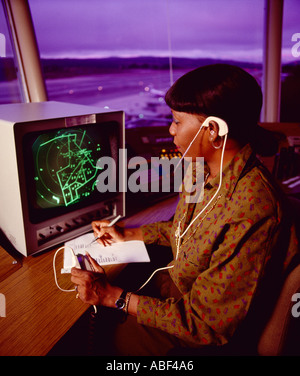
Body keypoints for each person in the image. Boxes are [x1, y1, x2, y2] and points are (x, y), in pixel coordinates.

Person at [71, 64, 298, 356]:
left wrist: (113, 297)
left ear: (213, 130)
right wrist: (127, 233)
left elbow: (207, 326)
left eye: (177, 121)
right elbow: (185, 229)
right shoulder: (199, 169)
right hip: (180, 288)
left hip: (203, 331)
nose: (170, 129)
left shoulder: (253, 210)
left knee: (109, 335)